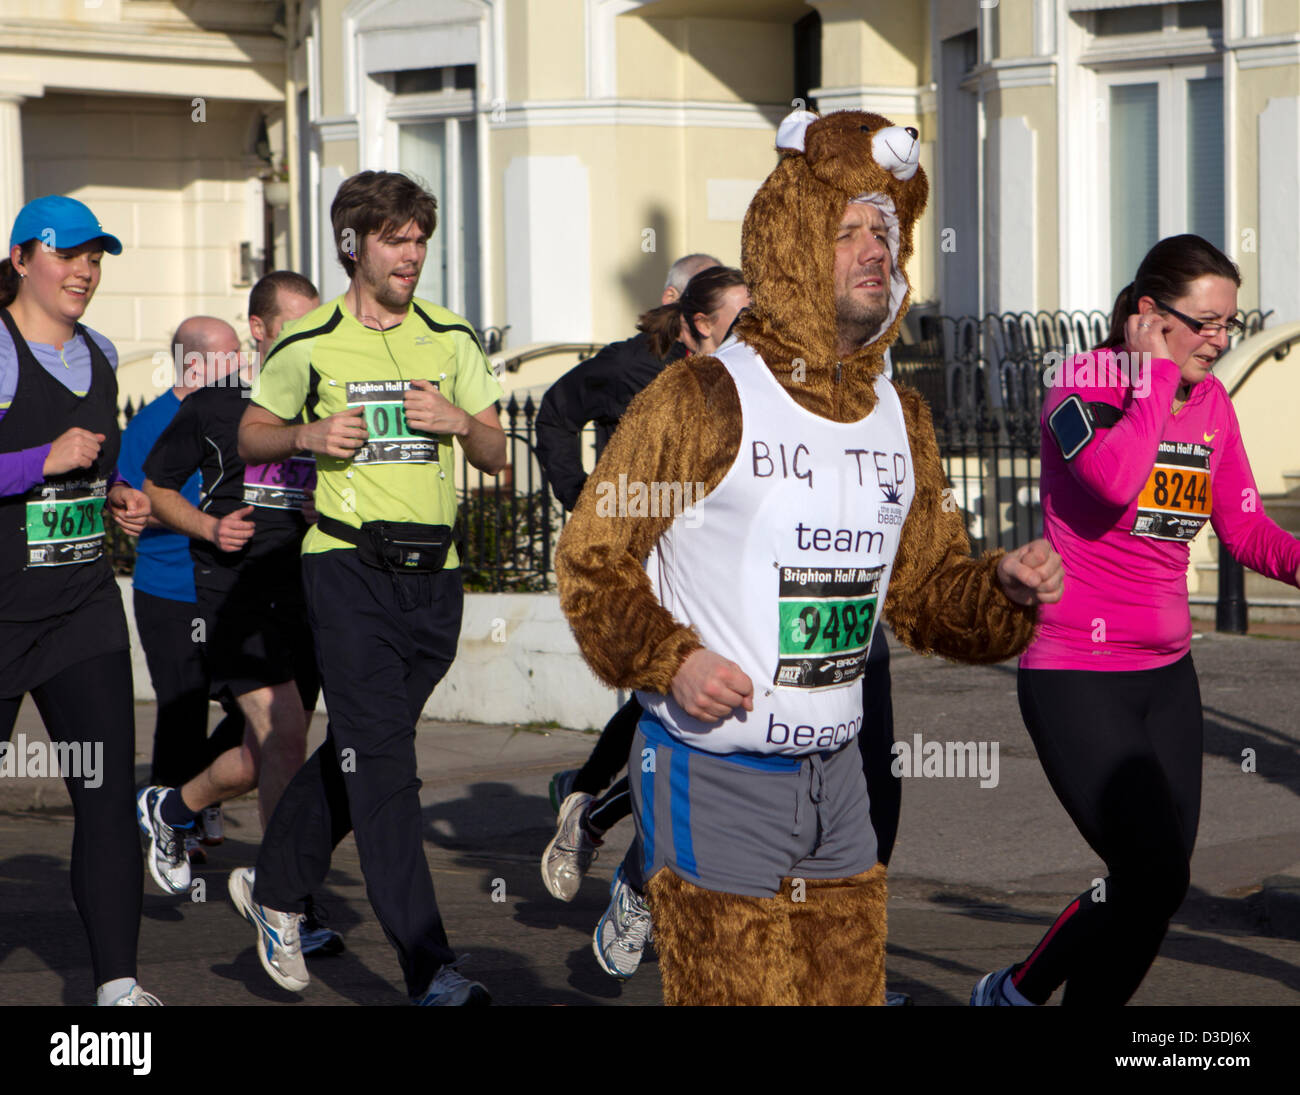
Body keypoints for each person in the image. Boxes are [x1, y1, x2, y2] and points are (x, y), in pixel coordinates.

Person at [555, 108, 1063, 1005]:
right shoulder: (705, 393)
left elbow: (924, 591)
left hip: (840, 783)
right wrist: (673, 660)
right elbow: (594, 558)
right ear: (793, 242)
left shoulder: (900, 414)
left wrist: (1003, 591)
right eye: (850, 231)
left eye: (887, 230)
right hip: (713, 766)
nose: (879, 250)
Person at [971, 234, 1300, 1007]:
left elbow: (1247, 526)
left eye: (1230, 323)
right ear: (1149, 314)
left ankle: (1040, 997)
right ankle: (1015, 992)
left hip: (1165, 675)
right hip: (1075, 673)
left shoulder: (1213, 405)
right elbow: (1115, 482)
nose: (1220, 341)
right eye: (1206, 323)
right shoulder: (1081, 383)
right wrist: (1152, 379)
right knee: (1151, 871)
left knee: (1157, 887)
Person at [229, 170, 506, 1005]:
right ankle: (432, 967)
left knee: (364, 750)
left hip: (436, 581)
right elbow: (250, 433)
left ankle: (275, 887)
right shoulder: (307, 340)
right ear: (354, 245)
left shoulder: (451, 335)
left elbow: (496, 452)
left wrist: (463, 424)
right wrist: (309, 432)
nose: (412, 255)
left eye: (420, 239)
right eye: (395, 240)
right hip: (346, 568)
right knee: (387, 768)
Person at [540, 266, 749, 980]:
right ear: (687, 316)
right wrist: (580, 497)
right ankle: (631, 874)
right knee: (682, 719)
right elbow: (555, 412)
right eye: (736, 317)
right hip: (656, 570)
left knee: (708, 731)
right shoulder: (633, 370)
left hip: (728, 573)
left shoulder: (750, 381)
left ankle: (594, 813)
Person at [0, 194, 158, 1005]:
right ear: (23, 259)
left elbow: (103, 469)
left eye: (96, 257)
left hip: (83, 609)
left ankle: (117, 987)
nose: (86, 271)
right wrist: (39, 459)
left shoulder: (99, 350)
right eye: (69, 255)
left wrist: (122, 498)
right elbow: (41, 462)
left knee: (104, 796)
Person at [138, 316, 317, 903]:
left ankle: (174, 805)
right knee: (280, 736)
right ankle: (284, 901)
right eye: (294, 324)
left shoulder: (320, 399)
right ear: (261, 331)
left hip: (306, 594)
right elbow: (154, 486)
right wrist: (212, 526)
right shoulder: (215, 404)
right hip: (231, 591)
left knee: (260, 752)